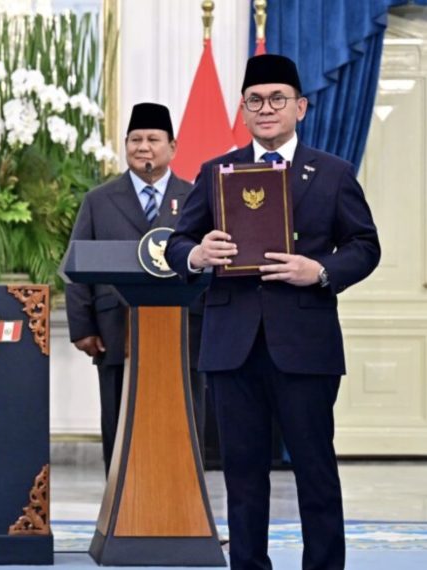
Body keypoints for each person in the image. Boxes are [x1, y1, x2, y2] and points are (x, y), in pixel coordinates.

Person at [166, 54, 380, 570]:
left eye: (278, 98)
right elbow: (178, 243)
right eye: (255, 100)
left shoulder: (332, 173)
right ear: (243, 110)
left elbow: (364, 246)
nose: (267, 108)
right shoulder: (215, 172)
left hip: (304, 345)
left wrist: (320, 271)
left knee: (315, 471)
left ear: (301, 107)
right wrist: (196, 255)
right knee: (241, 475)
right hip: (232, 346)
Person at [65, 102, 205, 475]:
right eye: (136, 139)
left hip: (185, 332)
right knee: (119, 422)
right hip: (115, 333)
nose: (144, 147)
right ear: (125, 145)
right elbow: (75, 267)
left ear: (172, 147)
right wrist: (83, 328)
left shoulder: (197, 196)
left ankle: (183, 509)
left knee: (184, 419)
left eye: (153, 139)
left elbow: (212, 264)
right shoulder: (98, 200)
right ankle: (119, 513)